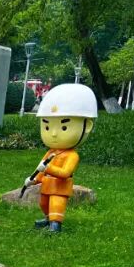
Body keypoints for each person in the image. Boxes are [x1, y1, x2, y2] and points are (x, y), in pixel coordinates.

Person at [25, 83, 98, 232]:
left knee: (56, 203)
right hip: (47, 185)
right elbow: (41, 169)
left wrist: (48, 168)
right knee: (44, 203)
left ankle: (55, 224)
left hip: (60, 187)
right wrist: (34, 179)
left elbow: (65, 173)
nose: (53, 133)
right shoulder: (51, 152)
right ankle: (48, 219)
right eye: (47, 127)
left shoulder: (72, 155)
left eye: (64, 127)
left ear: (87, 125)